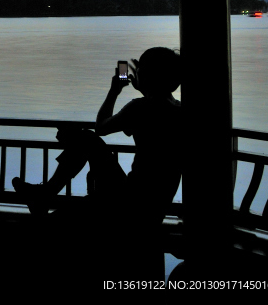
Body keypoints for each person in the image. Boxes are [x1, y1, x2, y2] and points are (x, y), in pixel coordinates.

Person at [12, 46, 185, 279]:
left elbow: (102, 126)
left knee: (86, 138)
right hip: (155, 206)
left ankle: (46, 194)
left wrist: (114, 90)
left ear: (147, 75)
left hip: (129, 200)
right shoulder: (180, 110)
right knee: (84, 141)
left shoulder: (140, 108)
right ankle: (45, 194)